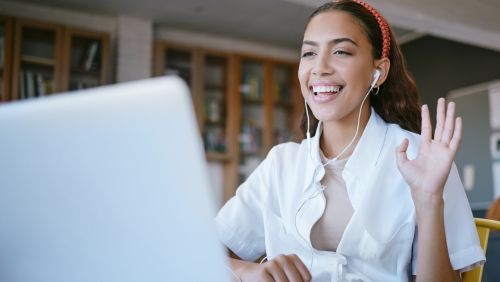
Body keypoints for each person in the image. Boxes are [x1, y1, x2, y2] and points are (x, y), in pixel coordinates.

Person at [215, 1, 485, 281]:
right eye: (309, 53)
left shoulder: (423, 159)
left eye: (341, 51)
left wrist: (429, 201)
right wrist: (250, 271)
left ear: (377, 71)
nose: (319, 68)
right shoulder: (281, 163)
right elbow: (204, 250)